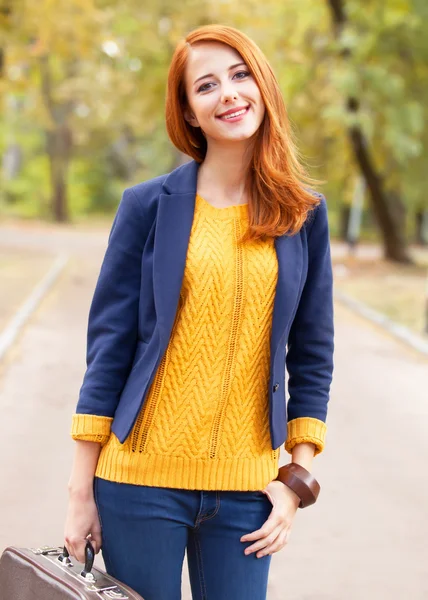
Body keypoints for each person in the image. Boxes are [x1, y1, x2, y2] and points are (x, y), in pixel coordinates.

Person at [64, 24, 334, 600]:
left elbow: (312, 353)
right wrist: (79, 494)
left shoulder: (303, 215)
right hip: (138, 484)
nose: (229, 93)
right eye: (205, 86)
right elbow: (108, 348)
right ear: (188, 112)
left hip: (248, 491)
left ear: (262, 85)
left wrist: (295, 482)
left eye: (240, 75)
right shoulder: (146, 207)